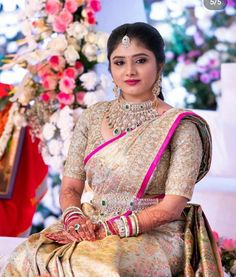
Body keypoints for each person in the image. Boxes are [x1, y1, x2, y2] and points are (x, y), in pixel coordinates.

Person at [2, 22, 223, 277]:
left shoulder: (181, 127)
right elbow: (72, 187)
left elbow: (171, 208)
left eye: (140, 60)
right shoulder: (93, 116)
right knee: (27, 255)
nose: (129, 71)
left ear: (159, 65)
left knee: (97, 267)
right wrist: (74, 219)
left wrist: (109, 229)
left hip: (155, 231)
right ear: (110, 67)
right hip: (91, 221)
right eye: (119, 62)